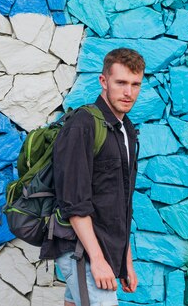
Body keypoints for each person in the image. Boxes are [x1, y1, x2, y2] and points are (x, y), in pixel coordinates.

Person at [41, 48, 145, 306]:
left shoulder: (126, 130)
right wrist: (97, 260)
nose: (128, 92)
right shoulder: (83, 125)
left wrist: (125, 262)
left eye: (135, 84)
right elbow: (74, 201)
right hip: (82, 250)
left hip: (105, 248)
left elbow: (122, 203)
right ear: (103, 81)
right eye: (120, 83)